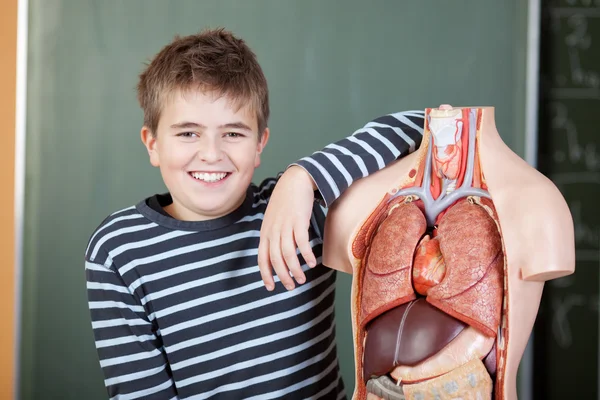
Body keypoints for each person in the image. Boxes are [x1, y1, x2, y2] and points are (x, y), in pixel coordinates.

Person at [84, 27, 424, 399]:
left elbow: (428, 125)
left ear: (260, 144)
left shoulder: (304, 210)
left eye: (233, 133)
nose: (211, 153)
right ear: (153, 144)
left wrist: (302, 176)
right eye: (188, 134)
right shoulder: (118, 249)